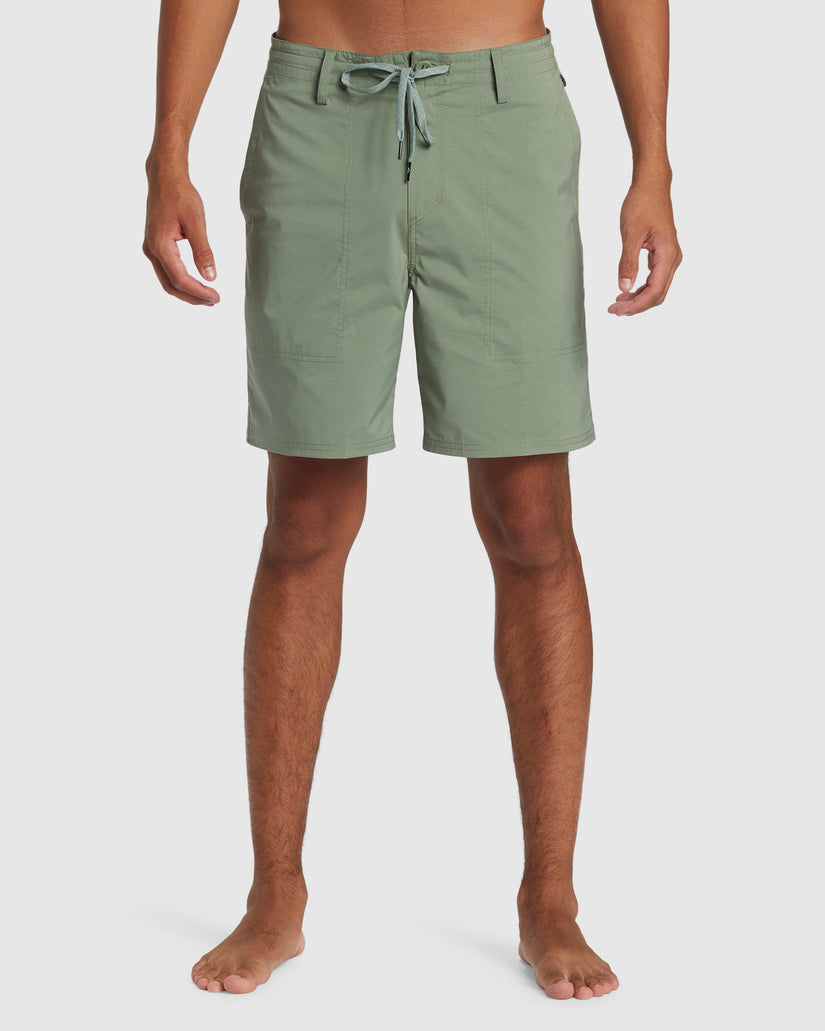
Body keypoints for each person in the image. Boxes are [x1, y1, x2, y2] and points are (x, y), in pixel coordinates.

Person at [143, 0, 681, 1001]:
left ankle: (551, 894)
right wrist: (168, 147)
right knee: (303, 518)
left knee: (532, 520)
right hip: (317, 104)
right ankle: (275, 890)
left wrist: (653, 162)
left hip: (502, 111)